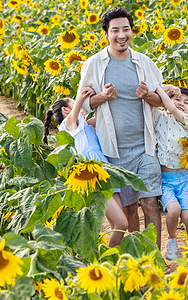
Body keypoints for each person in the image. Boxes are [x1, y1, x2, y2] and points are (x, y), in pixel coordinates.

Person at [77, 6, 180, 249]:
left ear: (132, 31)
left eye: (126, 29)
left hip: (144, 146)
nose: (121, 35)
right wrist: (102, 96)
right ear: (105, 33)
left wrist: (147, 96)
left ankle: (153, 257)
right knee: (129, 208)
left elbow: (161, 101)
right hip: (112, 150)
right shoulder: (93, 65)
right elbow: (84, 106)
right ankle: (136, 257)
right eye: (115, 30)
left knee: (150, 204)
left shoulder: (144, 63)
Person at [43, 87, 128, 248]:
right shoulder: (68, 126)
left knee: (118, 224)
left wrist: (102, 95)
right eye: (73, 103)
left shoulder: (84, 125)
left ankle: (114, 261)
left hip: (105, 172)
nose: (79, 106)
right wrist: (85, 92)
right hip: (92, 175)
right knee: (121, 224)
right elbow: (80, 101)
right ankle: (106, 259)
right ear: (65, 110)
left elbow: (100, 116)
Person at [152, 84, 188, 260]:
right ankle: (172, 242)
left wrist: (167, 94)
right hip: (164, 179)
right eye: (177, 99)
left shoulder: (187, 120)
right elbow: (153, 96)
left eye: (186, 102)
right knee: (173, 210)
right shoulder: (159, 117)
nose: (181, 103)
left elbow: (170, 107)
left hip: (184, 178)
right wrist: (165, 88)